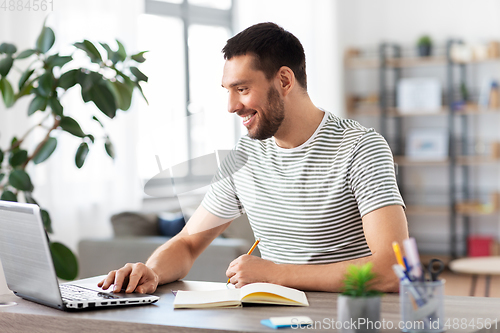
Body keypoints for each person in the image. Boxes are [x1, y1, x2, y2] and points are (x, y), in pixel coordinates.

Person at [98, 22, 408, 294]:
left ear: (284, 81)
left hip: (347, 318)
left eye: (242, 89)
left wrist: (277, 274)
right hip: (272, 318)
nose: (232, 106)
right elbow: (187, 243)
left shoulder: (360, 148)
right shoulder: (245, 155)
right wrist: (151, 272)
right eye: (228, 91)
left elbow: (393, 267)